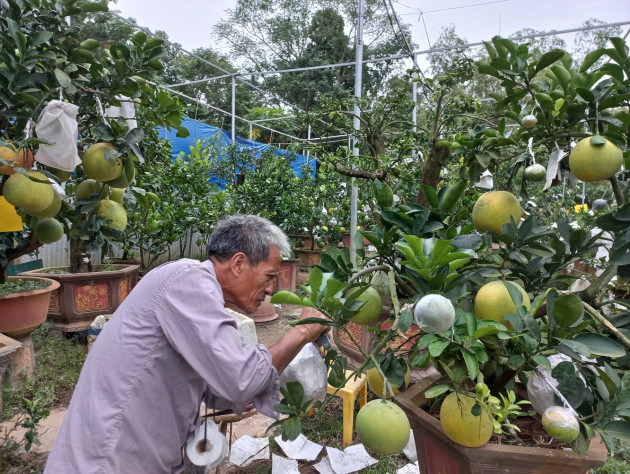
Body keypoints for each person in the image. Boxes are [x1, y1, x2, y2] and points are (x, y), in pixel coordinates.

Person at [44, 214, 329, 474]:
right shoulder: (189, 280)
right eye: (269, 277)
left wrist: (249, 392)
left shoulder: (195, 290)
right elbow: (240, 377)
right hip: (108, 460)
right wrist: (301, 332)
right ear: (239, 263)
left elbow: (212, 383)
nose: (270, 289)